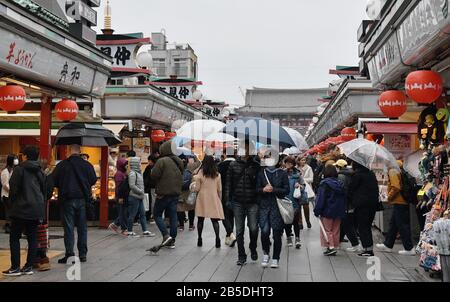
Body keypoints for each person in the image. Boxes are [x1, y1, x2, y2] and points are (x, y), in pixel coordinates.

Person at [2, 147, 45, 276]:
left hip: (20, 209)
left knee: (14, 237)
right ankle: (28, 267)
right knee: (32, 237)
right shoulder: (40, 171)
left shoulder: (19, 169)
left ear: (25, 156)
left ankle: (15, 267)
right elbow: (45, 190)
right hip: (36, 209)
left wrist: (11, 205)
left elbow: (13, 190)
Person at [52, 144, 97, 264]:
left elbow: (54, 180)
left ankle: (70, 254)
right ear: (80, 151)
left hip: (67, 200)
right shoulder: (87, 165)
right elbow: (93, 180)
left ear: (68, 151)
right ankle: (82, 254)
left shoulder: (62, 165)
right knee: (82, 228)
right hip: (82, 199)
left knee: (69, 228)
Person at [224, 142, 260, 266]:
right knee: (239, 230)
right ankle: (241, 255)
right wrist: (227, 200)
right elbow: (228, 184)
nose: (245, 151)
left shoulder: (256, 165)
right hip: (238, 202)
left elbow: (259, 184)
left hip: (253, 202)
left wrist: (253, 174)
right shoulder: (233, 165)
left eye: (248, 148)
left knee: (254, 228)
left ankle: (253, 246)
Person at [257, 149, 289, 268]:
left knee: (277, 234)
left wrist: (274, 189)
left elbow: (286, 190)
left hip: (277, 208)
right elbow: (257, 189)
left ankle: (276, 258)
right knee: (264, 232)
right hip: (264, 207)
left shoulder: (282, 173)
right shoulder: (261, 173)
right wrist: (263, 189)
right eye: (267, 157)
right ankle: (266, 253)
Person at [376, 160, 415, 255]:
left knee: (402, 225)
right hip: (401, 201)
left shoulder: (392, 170)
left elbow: (396, 187)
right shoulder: (398, 170)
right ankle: (388, 244)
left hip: (399, 201)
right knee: (393, 224)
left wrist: (388, 197)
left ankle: (409, 248)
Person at [151, 141, 184, 249]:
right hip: (175, 193)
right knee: (173, 216)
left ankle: (166, 235)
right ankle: (172, 240)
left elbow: (154, 175)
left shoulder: (162, 161)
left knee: (157, 214)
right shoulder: (179, 161)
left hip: (163, 193)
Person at [191, 156, 224, 248]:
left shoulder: (200, 174)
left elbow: (197, 188)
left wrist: (195, 178)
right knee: (214, 221)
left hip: (202, 198)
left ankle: (199, 239)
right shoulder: (217, 174)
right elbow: (219, 189)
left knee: (200, 220)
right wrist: (219, 200)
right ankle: (217, 239)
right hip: (213, 198)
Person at [348, 161, 379, 257]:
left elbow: (351, 189)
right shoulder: (371, 174)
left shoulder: (357, 175)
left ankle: (367, 249)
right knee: (367, 225)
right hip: (372, 204)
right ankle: (368, 247)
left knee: (362, 226)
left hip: (361, 205)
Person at [313, 165, 346, 256]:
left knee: (327, 229)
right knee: (336, 229)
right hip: (339, 210)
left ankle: (330, 247)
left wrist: (317, 210)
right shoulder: (340, 183)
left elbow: (321, 198)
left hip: (327, 210)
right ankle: (334, 246)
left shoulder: (324, 184)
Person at [334, 160, 360, 252]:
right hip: (351, 203)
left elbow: (341, 190)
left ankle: (355, 244)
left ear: (339, 167)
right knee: (344, 224)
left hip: (345, 204)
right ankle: (339, 242)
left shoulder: (341, 176)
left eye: (336, 166)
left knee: (347, 224)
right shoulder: (351, 174)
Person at [125, 157, 154, 237]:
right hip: (134, 197)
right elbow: (132, 185)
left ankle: (145, 230)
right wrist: (140, 191)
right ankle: (129, 231)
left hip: (139, 197)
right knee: (132, 215)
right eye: (139, 163)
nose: (140, 165)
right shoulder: (132, 173)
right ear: (135, 164)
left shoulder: (138, 173)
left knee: (142, 214)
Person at [284, 156, 305, 249]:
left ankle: (297, 239)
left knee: (295, 221)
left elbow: (303, 185)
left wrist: (299, 186)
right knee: (287, 221)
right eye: (286, 162)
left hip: (295, 201)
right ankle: (288, 237)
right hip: (285, 201)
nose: (287, 164)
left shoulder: (298, 174)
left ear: (293, 164)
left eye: (289, 163)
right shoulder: (282, 173)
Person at [218, 151, 237, 247]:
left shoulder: (220, 165)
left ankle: (230, 233)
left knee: (224, 215)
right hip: (235, 193)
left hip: (224, 193)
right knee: (231, 215)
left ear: (225, 154)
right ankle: (229, 236)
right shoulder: (237, 164)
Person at [177, 156, 199, 231]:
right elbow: (199, 163)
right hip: (188, 193)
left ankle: (181, 226)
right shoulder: (190, 169)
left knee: (180, 209)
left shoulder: (176, 171)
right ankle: (191, 225)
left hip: (179, 193)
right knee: (191, 209)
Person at [109, 158, 128, 234]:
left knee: (124, 212)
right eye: (125, 164)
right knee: (122, 212)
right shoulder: (119, 174)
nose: (126, 166)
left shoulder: (122, 173)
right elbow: (119, 187)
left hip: (122, 196)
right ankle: (123, 228)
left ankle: (115, 224)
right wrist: (120, 197)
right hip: (120, 196)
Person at [1, 154, 18, 234]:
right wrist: (12, 191)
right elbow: (5, 184)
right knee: (8, 211)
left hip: (12, 194)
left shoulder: (14, 170)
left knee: (12, 211)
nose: (16, 160)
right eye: (15, 158)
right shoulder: (5, 171)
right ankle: (8, 226)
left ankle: (11, 226)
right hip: (7, 195)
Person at [296, 156, 313, 229]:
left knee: (306, 206)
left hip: (306, 189)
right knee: (298, 206)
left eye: (304, 160)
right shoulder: (296, 168)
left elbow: (311, 179)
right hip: (298, 189)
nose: (303, 161)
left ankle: (308, 220)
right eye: (302, 160)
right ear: (298, 161)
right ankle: (300, 222)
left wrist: (302, 179)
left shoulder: (309, 168)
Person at [143, 155, 158, 223]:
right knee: (150, 201)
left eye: (149, 161)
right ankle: (149, 215)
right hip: (149, 187)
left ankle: (153, 215)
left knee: (153, 201)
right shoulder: (148, 167)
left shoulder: (155, 167)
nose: (148, 162)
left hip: (153, 187)